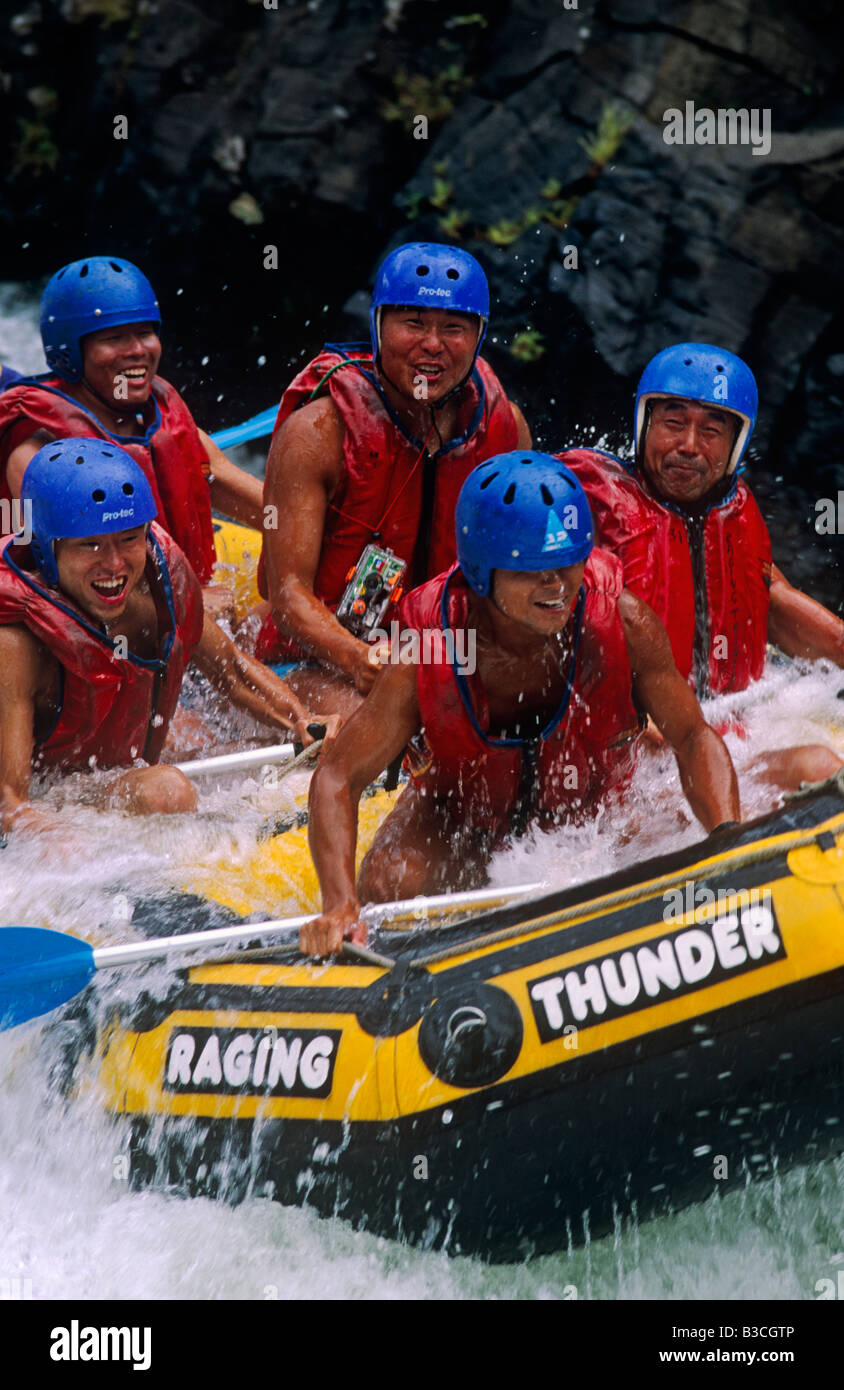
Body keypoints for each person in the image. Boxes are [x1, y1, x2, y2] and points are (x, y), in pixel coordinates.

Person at [300, 451, 742, 956]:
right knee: (389, 883)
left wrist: (729, 839)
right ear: (482, 573)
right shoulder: (438, 649)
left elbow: (692, 736)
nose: (556, 585)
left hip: (592, 818)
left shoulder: (622, 622)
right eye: (533, 570)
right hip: (462, 817)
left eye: (568, 561)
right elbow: (338, 776)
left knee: (675, 840)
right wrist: (338, 904)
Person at [0, 439, 337, 837]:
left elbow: (230, 670)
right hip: (49, 794)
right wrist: (65, 848)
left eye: (128, 538)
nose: (114, 564)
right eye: (90, 545)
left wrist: (301, 721)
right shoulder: (16, 643)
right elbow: (12, 804)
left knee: (218, 739)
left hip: (111, 773)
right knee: (167, 791)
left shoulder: (164, 584)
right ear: (46, 551)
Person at [256, 241, 532, 719]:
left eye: (453, 328)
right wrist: (358, 658)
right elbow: (288, 596)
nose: (432, 343)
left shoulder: (505, 430)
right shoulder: (317, 434)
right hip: (314, 664)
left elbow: (526, 571)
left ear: (480, 336)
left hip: (444, 658)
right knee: (386, 728)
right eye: (413, 324)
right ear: (378, 327)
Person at [559, 343, 843, 789]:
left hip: (729, 721)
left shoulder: (735, 511)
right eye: (673, 424)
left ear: (736, 445)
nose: (689, 447)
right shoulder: (581, 497)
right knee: (817, 766)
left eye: (711, 432)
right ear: (644, 424)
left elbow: (774, 602)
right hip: (628, 752)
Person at [0, 257, 264, 620]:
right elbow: (86, 586)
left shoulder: (162, 423)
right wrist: (192, 604)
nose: (137, 349)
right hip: (97, 620)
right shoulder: (36, 450)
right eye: (114, 338)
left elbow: (263, 506)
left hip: (185, 596)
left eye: (144, 333)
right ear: (69, 352)